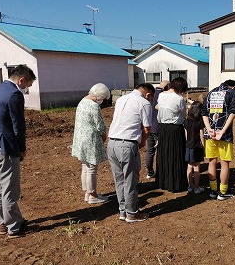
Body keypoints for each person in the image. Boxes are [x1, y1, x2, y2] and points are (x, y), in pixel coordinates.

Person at [0, 64, 39, 238]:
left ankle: (3, 222)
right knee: (10, 188)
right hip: (5, 148)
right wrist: (22, 148)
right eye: (27, 85)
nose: (26, 88)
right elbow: (18, 126)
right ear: (21, 79)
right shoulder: (14, 94)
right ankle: (14, 227)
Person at [107, 83, 155, 223]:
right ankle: (132, 213)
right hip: (127, 144)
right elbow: (147, 129)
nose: (151, 101)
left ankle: (123, 211)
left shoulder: (121, 99)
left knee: (119, 180)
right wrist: (142, 142)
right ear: (148, 95)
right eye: (151, 98)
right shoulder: (144, 103)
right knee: (130, 180)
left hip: (112, 143)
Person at [71, 83, 111, 204]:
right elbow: (100, 126)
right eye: (103, 99)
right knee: (92, 167)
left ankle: (87, 193)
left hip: (80, 139)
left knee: (85, 166)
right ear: (99, 96)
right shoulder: (94, 106)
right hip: (91, 139)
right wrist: (104, 136)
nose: (102, 101)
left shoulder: (82, 101)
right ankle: (93, 195)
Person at [201, 79, 235, 201]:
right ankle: (223, 192)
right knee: (225, 164)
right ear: (233, 87)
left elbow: (204, 112)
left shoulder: (211, 93)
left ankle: (213, 190)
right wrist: (222, 131)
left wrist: (209, 129)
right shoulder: (232, 93)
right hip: (225, 135)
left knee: (212, 162)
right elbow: (233, 112)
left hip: (210, 134)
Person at [156, 77, 188, 192]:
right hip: (175, 129)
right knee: (176, 154)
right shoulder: (179, 98)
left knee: (164, 154)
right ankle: (176, 183)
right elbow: (184, 114)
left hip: (162, 128)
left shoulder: (161, 95)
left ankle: (163, 181)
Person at [145, 80, 169, 179]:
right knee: (161, 151)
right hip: (159, 127)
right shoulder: (164, 96)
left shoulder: (151, 94)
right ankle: (160, 172)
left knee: (150, 151)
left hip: (149, 127)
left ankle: (150, 171)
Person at [184, 101, 205, 194]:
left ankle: (190, 186)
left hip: (188, 146)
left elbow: (186, 134)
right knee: (196, 167)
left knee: (189, 166)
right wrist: (203, 147)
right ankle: (197, 187)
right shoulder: (200, 122)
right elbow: (202, 136)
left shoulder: (186, 121)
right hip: (197, 146)